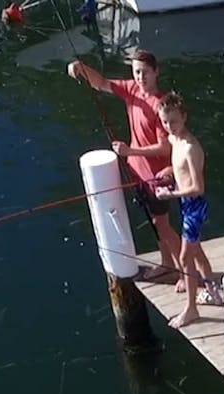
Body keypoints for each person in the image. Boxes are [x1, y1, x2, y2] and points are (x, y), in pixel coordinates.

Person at [66, 49, 179, 281]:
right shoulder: (132, 89)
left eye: (145, 72)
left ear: (156, 72)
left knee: (163, 225)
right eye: (137, 72)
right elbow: (101, 83)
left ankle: (186, 273)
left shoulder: (162, 105)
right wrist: (81, 68)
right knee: (155, 222)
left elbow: (165, 148)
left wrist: (130, 151)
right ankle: (167, 263)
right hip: (138, 174)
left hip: (158, 176)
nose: (140, 77)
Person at [152, 92, 221, 327]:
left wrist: (171, 194)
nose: (169, 126)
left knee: (185, 257)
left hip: (195, 207)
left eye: (173, 121)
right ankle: (212, 291)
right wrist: (170, 171)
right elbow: (180, 167)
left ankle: (191, 309)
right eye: (164, 121)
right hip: (185, 204)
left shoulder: (191, 148)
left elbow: (198, 187)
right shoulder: (174, 140)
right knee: (196, 251)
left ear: (184, 117)